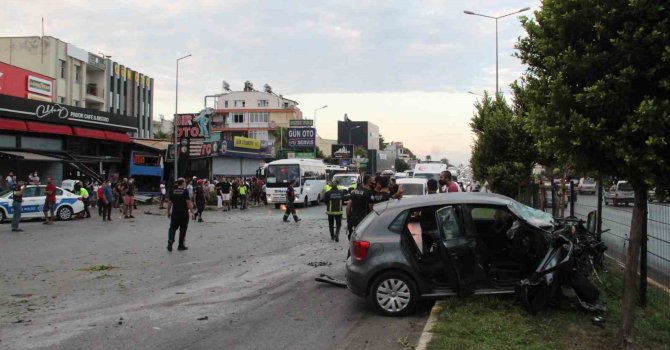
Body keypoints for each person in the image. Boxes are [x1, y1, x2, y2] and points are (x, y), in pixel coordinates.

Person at [167, 177, 194, 252]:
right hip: (184, 214)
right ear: (182, 183)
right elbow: (188, 202)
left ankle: (170, 240)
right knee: (183, 229)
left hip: (175, 213)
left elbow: (169, 203)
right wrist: (192, 212)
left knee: (172, 228)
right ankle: (181, 245)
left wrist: (168, 212)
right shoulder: (185, 191)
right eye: (184, 182)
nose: (185, 183)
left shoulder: (173, 191)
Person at [346, 174, 375, 239]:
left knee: (352, 238)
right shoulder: (368, 193)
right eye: (373, 181)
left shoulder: (355, 191)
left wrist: (348, 219)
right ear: (369, 182)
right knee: (362, 238)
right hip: (363, 220)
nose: (374, 182)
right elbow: (371, 209)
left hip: (352, 219)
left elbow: (348, 207)